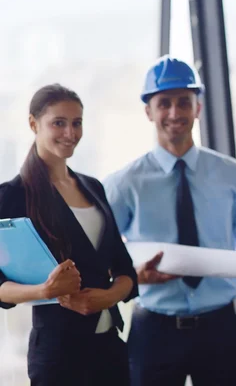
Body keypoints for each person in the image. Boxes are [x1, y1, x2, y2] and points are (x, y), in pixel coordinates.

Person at [103, 55, 236, 386]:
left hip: (222, 326)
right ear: (149, 111)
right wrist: (135, 276)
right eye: (164, 104)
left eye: (183, 102)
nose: (174, 113)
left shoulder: (230, 174)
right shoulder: (124, 183)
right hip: (154, 329)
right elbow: (103, 256)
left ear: (198, 107)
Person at [0, 84, 138, 386]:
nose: (70, 133)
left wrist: (110, 296)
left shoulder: (93, 187)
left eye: (77, 123)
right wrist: (44, 291)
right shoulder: (11, 196)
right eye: (58, 123)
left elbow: (125, 268)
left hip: (110, 347)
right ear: (33, 124)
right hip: (59, 355)